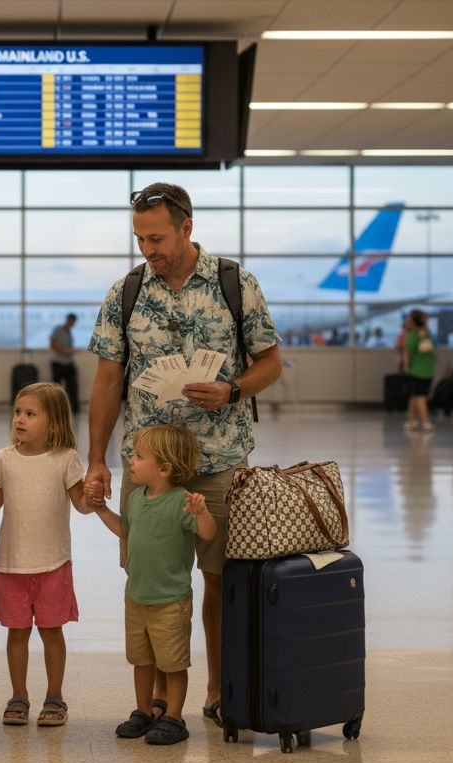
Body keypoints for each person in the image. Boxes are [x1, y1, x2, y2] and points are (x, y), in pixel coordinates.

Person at [85, 182, 281, 729]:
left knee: (218, 578)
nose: (148, 249)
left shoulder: (233, 283)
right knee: (145, 577)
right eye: (140, 239)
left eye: (157, 237)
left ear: (187, 227)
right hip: (147, 465)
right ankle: (151, 703)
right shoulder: (126, 293)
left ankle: (216, 691)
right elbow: (106, 380)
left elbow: (271, 362)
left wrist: (234, 390)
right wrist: (97, 458)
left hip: (218, 461)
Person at [0, 382, 98, 727]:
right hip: (10, 563)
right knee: (16, 633)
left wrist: (94, 499)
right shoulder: (4, 459)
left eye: (30, 414)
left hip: (53, 564)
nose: (20, 419)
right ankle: (19, 696)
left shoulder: (65, 460)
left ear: (54, 422)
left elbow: (80, 503)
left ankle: (55, 697)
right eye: (18, 412)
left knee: (51, 632)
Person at [89, 425, 215, 746]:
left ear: (164, 469)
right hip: (136, 598)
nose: (131, 460)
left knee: (173, 663)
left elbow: (209, 534)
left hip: (170, 602)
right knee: (141, 660)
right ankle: (143, 711)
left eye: (139, 456)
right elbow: (125, 531)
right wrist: (103, 510)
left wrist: (202, 513)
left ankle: (174, 716)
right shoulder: (135, 499)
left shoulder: (182, 501)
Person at [402, 309, 436, 432]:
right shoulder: (413, 335)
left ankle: (413, 421)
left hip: (427, 370)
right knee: (420, 396)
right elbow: (407, 353)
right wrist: (406, 367)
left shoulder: (427, 334)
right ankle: (426, 422)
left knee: (415, 396)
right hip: (416, 371)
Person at [49, 313, 80, 414]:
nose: (73, 323)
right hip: (58, 363)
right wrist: (65, 351)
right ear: (68, 320)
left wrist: (71, 351)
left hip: (68, 363)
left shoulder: (69, 332)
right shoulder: (58, 329)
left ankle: (72, 409)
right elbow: (53, 344)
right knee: (56, 387)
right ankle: (54, 408)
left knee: (72, 386)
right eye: (72, 321)